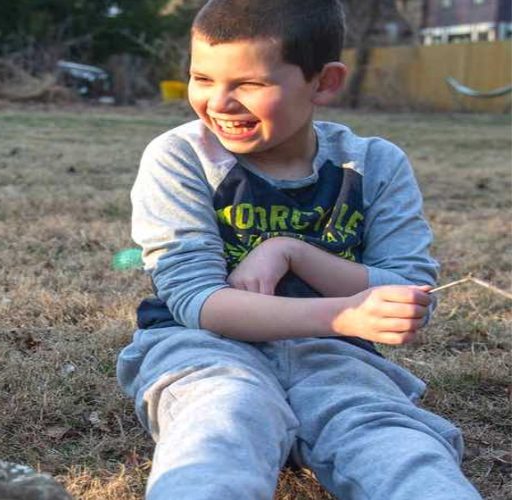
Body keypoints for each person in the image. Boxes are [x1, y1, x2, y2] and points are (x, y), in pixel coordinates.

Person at [116, 0, 481, 498]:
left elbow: (408, 290)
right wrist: (343, 313)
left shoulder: (374, 164)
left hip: (334, 360)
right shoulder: (181, 157)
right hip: (203, 351)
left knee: (395, 443)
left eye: (249, 84)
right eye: (202, 78)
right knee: (222, 418)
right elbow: (196, 302)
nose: (219, 102)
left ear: (324, 82)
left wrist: (294, 251)